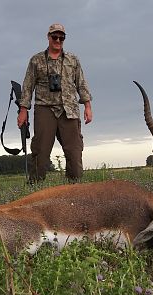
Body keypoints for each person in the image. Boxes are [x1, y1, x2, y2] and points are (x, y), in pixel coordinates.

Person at [17, 23, 93, 183]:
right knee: (40, 153)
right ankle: (35, 189)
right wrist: (23, 110)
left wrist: (87, 106)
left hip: (69, 110)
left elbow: (81, 83)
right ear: (48, 37)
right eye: (55, 37)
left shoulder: (73, 60)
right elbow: (27, 85)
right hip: (45, 109)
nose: (58, 40)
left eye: (61, 37)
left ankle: (75, 190)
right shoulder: (36, 60)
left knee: (74, 152)